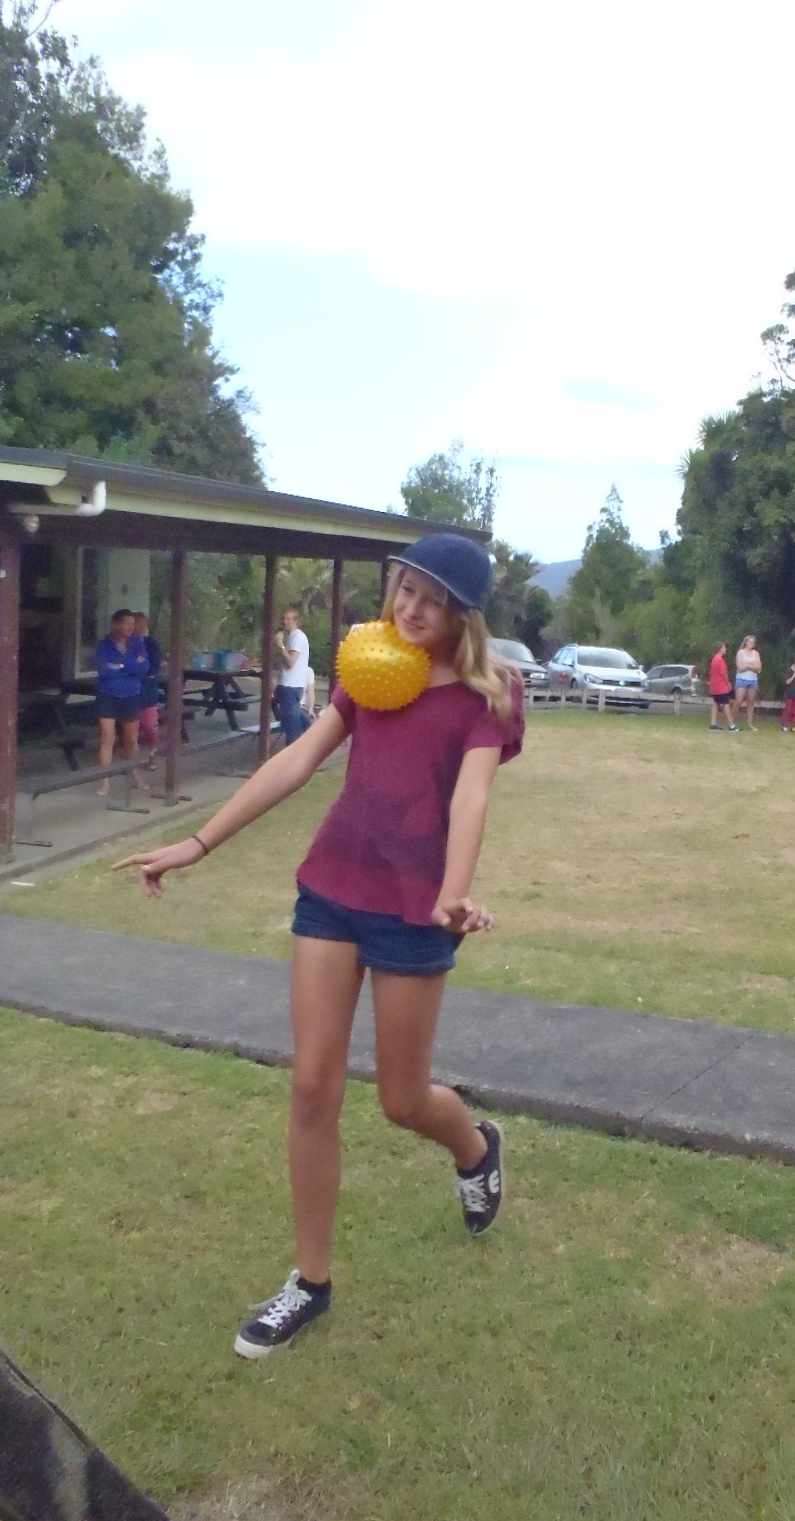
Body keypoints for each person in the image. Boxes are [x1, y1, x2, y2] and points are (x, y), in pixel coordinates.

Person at [115, 535, 524, 1359]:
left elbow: (471, 798)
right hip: (332, 890)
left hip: (415, 910)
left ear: (463, 615)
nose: (411, 608)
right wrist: (199, 842)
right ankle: (310, 1282)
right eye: (405, 589)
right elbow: (298, 759)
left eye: (432, 599)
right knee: (311, 1086)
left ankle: (476, 1148)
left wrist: (454, 890)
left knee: (401, 1101)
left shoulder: (489, 693)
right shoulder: (372, 670)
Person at [94, 608, 150, 796]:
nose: (131, 627)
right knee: (107, 738)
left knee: (131, 740)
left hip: (131, 694)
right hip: (108, 694)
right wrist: (130, 665)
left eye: (133, 623)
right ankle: (105, 783)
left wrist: (120, 665)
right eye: (127, 623)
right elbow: (104, 671)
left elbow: (143, 667)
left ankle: (134, 775)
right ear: (116, 624)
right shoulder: (104, 644)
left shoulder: (138, 643)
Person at [273, 605, 311, 745]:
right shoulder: (291, 637)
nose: (285, 622)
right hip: (288, 685)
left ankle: (294, 750)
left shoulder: (297, 637)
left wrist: (280, 645)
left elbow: (291, 662)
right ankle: (313, 733)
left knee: (291, 727)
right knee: (295, 716)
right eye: (283, 618)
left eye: (288, 619)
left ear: (296, 621)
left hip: (290, 686)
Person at [134, 612, 163, 769]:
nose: (136, 627)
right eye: (134, 624)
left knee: (150, 725)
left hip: (147, 691)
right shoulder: (127, 643)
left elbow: (153, 667)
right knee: (131, 726)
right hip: (130, 691)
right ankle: (132, 759)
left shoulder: (152, 644)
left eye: (139, 623)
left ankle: (152, 753)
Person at [732, 635, 761, 730]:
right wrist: (752, 665)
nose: (751, 644)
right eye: (750, 641)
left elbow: (758, 667)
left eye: (753, 642)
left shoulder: (756, 653)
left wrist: (747, 665)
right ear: (746, 642)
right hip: (742, 679)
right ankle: (733, 722)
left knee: (751, 702)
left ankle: (750, 724)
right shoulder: (740, 653)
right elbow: (740, 668)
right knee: (738, 700)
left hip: (753, 680)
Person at [707, 641, 738, 731]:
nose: (725, 649)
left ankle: (713, 723)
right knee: (726, 704)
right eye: (724, 647)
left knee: (716, 703)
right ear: (720, 649)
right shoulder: (720, 660)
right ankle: (732, 725)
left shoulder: (714, 659)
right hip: (721, 686)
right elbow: (724, 674)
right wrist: (728, 683)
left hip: (714, 686)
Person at [780, 653, 795, 732]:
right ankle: (784, 725)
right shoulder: (789, 670)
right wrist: (794, 675)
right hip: (789, 693)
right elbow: (787, 682)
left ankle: (793, 726)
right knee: (788, 710)